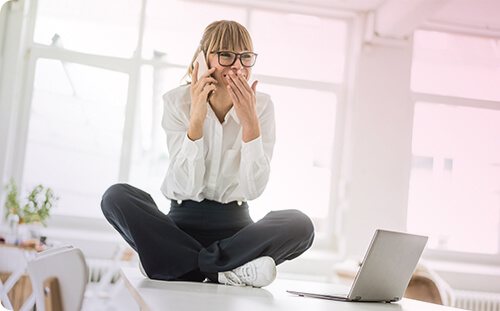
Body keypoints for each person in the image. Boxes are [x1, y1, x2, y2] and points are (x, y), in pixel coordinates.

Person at [101, 20, 314, 288]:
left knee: (301, 226)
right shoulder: (177, 102)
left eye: (246, 57)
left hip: (236, 233)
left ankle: (175, 263)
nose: (238, 66)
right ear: (203, 59)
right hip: (179, 227)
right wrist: (196, 121)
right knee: (115, 197)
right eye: (226, 55)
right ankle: (223, 269)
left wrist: (250, 124)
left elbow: (253, 189)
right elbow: (185, 184)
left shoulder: (262, 107)